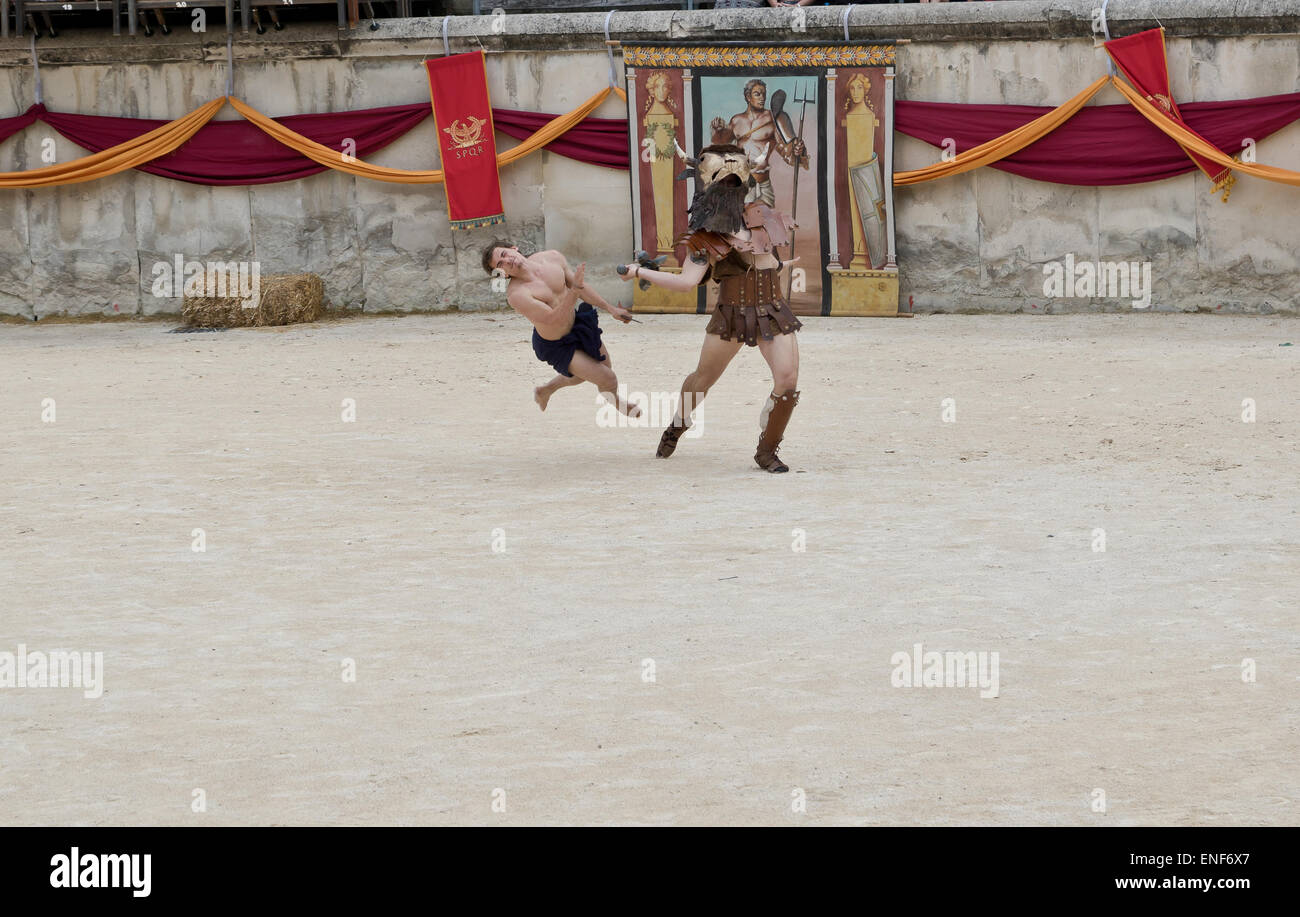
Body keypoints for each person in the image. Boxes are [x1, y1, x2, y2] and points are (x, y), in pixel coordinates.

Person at [621, 143, 802, 473]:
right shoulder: (706, 235)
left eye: (735, 181)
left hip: (772, 309)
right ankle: (678, 423)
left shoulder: (761, 216)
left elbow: (769, 258)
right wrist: (639, 271)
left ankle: (767, 450)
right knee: (703, 378)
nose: (730, 188)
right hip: (732, 313)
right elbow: (687, 282)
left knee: (788, 381)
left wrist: (776, 264)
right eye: (723, 182)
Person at [483, 241, 640, 417]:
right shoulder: (517, 295)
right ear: (502, 274)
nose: (507, 261)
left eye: (504, 254)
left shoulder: (552, 257)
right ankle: (616, 401)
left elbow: (581, 288)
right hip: (556, 344)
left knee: (595, 371)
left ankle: (545, 390)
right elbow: (553, 319)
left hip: (578, 326)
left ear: (513, 248)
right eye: (500, 264)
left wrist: (611, 308)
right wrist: (574, 290)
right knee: (607, 378)